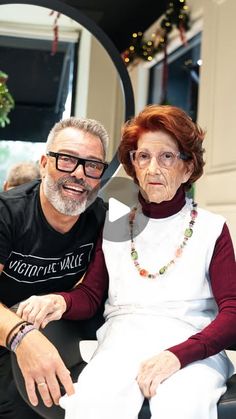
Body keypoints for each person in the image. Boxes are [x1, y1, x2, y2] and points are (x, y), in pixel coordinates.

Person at [18, 105, 236, 419]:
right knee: (94, 403)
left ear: (188, 169)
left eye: (167, 157)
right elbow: (92, 296)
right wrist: (59, 301)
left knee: (182, 404)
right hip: (121, 344)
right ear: (133, 166)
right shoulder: (117, 222)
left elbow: (232, 311)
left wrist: (177, 356)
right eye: (143, 156)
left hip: (191, 347)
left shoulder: (211, 228)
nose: (152, 168)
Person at [0, 116, 109, 419]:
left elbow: (95, 294)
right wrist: (23, 336)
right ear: (45, 162)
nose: (79, 174)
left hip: (63, 333)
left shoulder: (103, 219)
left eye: (92, 165)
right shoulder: (7, 214)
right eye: (66, 160)